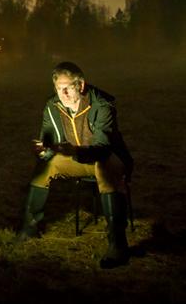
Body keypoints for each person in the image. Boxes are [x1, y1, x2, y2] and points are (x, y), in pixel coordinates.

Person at [18, 61, 134, 269]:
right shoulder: (53, 106)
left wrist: (76, 151)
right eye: (58, 88)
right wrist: (43, 151)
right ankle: (30, 226)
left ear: (80, 86)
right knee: (46, 167)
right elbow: (49, 137)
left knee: (104, 167)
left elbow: (103, 147)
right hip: (75, 158)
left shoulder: (102, 105)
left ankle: (118, 244)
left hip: (107, 159)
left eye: (67, 88)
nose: (62, 93)